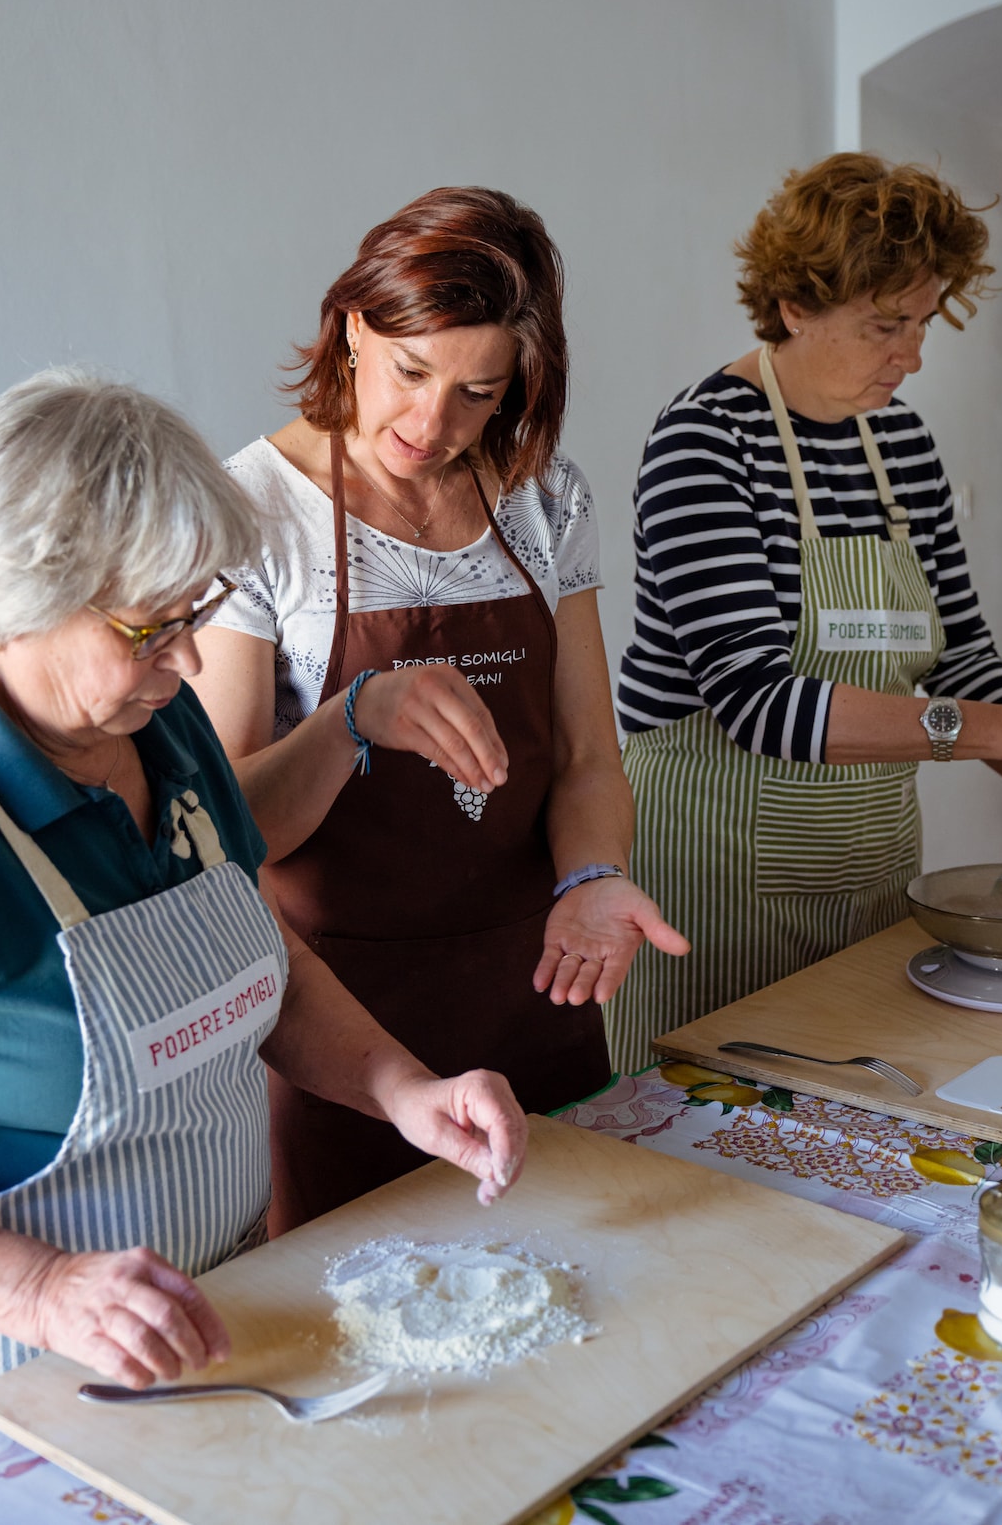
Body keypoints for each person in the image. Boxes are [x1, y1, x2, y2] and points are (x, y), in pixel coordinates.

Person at [0, 370, 527, 1413]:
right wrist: (40, 1289)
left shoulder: (156, 725)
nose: (190, 658)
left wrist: (404, 1091)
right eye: (149, 630)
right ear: (17, 599)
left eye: (192, 614)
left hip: (233, 1318)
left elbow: (255, 959)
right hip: (18, 1382)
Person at [191, 186, 687, 1230]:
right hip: (344, 1026)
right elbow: (227, 826)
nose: (432, 423)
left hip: (539, 982)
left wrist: (595, 876)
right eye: (413, 372)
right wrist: (352, 717)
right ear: (354, 327)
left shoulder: (546, 502)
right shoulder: (253, 513)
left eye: (478, 393)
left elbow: (592, 755)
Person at [606, 153, 1002, 1073]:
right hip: (714, 899)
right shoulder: (705, 439)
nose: (913, 353)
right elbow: (760, 702)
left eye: (923, 322)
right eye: (886, 323)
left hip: (873, 884)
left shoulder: (902, 442)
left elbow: (961, 657)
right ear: (796, 305)